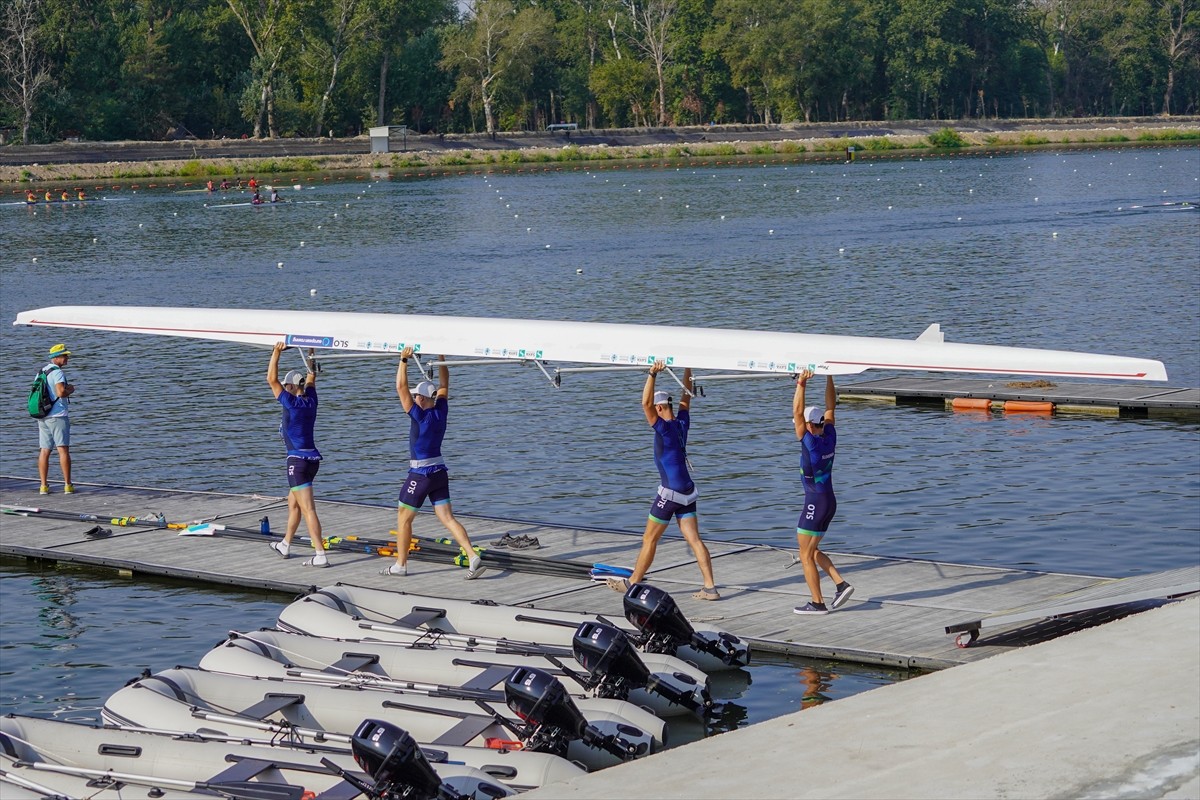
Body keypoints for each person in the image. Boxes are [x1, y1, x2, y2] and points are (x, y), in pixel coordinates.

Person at [608, 361, 719, 600]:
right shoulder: (682, 423)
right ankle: (710, 587)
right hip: (688, 492)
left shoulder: (663, 429)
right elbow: (686, 396)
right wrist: (688, 368)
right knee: (695, 540)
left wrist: (652, 374)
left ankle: (633, 583)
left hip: (670, 494)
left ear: (659, 409)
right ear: (668, 405)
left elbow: (644, 403)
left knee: (649, 539)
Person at [384, 346, 486, 579]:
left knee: (403, 517)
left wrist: (403, 360)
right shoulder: (441, 409)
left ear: (421, 398)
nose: (414, 397)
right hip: (440, 472)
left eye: (417, 395)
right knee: (448, 518)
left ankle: (400, 565)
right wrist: (441, 357)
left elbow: (400, 387)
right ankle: (472, 555)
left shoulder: (418, 414)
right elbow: (444, 384)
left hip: (421, 474)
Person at [791, 369, 853, 615]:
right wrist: (830, 375)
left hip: (815, 502)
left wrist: (802, 383)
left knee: (805, 554)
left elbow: (797, 412)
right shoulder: (829, 435)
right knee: (811, 550)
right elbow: (831, 407)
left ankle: (817, 603)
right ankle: (840, 584)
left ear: (808, 425)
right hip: (829, 501)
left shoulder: (810, 440)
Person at [265, 343, 329, 567]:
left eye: (286, 385)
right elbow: (311, 376)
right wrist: (311, 352)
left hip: (298, 462)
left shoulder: (290, 402)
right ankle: (285, 544)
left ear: (291, 387)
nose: (283, 387)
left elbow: (270, 379)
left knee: (308, 508)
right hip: (312, 461)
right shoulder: (311, 399)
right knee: (293, 504)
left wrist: (276, 352)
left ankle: (320, 555)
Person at [37, 344, 75, 494]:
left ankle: (43, 486)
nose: (67, 358)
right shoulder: (57, 372)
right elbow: (60, 392)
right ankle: (67, 485)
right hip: (58, 416)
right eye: (65, 355)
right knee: (63, 450)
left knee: (44, 450)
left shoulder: (42, 371)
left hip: (43, 416)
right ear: (56, 357)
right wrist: (70, 389)